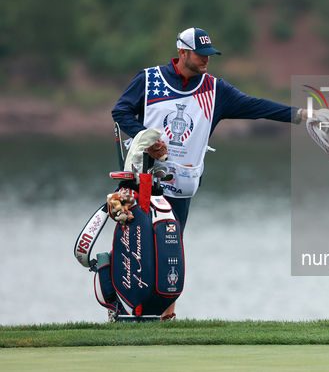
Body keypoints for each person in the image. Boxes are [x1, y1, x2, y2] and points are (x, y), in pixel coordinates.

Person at [112, 27, 312, 320]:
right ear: (182, 53)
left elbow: (256, 106)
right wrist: (146, 138)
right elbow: (121, 112)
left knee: (171, 252)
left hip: (182, 186)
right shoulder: (149, 79)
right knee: (140, 248)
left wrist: (299, 115)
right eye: (200, 54)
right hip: (144, 180)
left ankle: (166, 316)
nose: (207, 60)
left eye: (210, 55)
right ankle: (129, 308)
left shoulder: (215, 89)